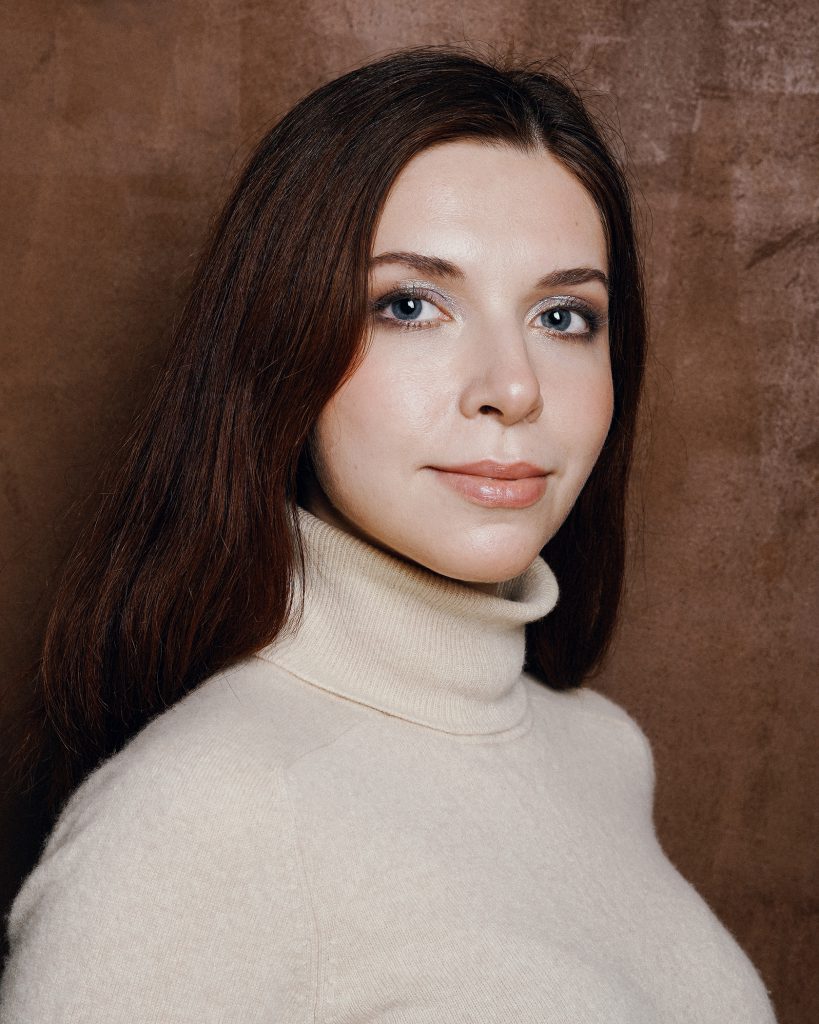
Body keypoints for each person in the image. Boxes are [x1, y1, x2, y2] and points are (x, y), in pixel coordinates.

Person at [0, 43, 778, 1022]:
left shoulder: (602, 751)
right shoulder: (199, 812)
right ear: (281, 344)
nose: (513, 387)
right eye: (411, 305)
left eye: (563, 316)